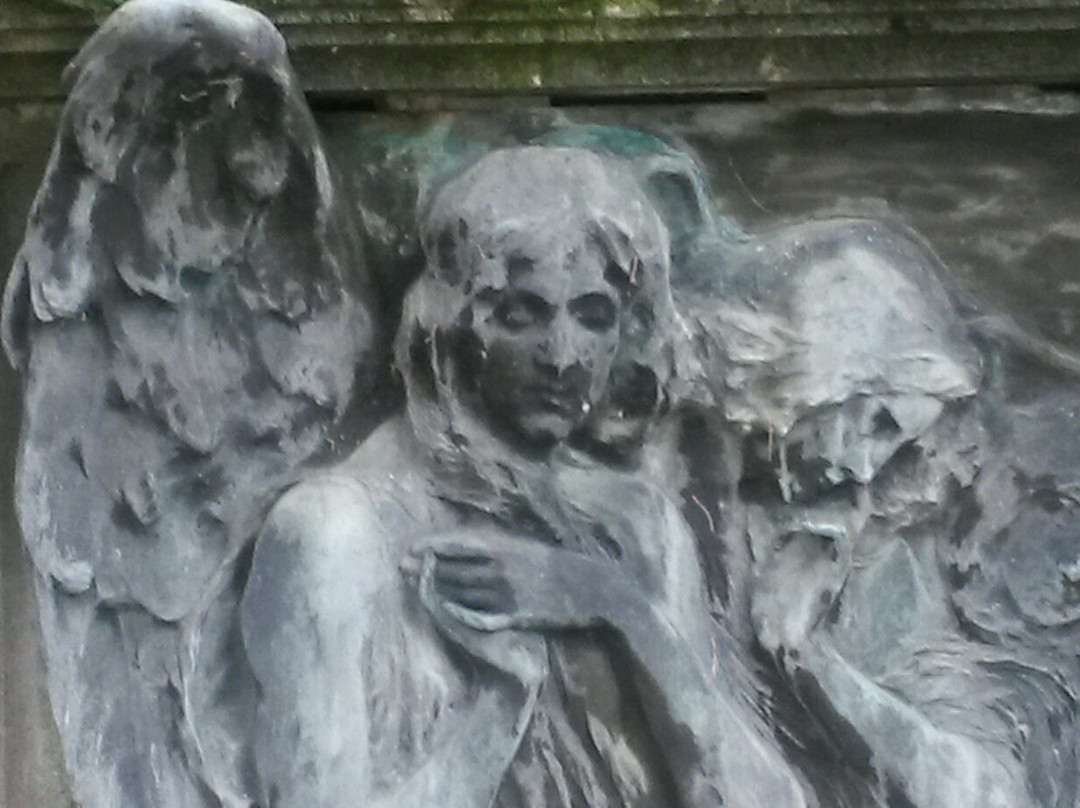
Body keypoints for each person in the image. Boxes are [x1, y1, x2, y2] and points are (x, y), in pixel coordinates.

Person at [239, 146, 809, 808]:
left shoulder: (640, 527)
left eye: (593, 315)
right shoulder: (334, 532)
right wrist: (499, 705)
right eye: (520, 314)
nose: (563, 358)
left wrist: (618, 606)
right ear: (449, 326)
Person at [702, 217, 1039, 807]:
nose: (862, 464)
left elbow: (986, 794)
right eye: (866, 418)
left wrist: (808, 660)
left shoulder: (885, 566)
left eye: (893, 438)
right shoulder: (687, 501)